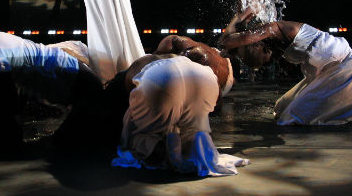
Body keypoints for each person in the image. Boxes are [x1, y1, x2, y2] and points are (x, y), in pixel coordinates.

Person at [219, 6, 352, 125]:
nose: (267, 62)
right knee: (280, 108)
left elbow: (226, 41)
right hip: (327, 72)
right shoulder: (274, 45)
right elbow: (235, 49)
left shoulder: (276, 29)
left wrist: (240, 16)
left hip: (346, 70)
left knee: (291, 118)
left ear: (258, 43)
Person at [105, 48, 247, 177]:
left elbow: (140, 106)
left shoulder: (132, 71)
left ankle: (166, 150)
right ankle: (191, 145)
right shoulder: (173, 57)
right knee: (192, 129)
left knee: (138, 123)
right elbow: (218, 104)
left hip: (161, 78)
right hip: (204, 77)